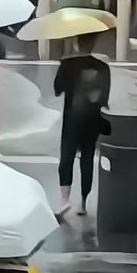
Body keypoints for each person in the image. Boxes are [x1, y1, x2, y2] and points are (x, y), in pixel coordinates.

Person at [54, 34, 111, 216]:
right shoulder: (103, 67)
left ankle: (64, 200)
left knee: (66, 157)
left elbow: (57, 90)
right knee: (86, 160)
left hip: (72, 118)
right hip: (92, 120)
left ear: (76, 43)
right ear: (93, 43)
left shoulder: (67, 65)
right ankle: (84, 203)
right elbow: (104, 98)